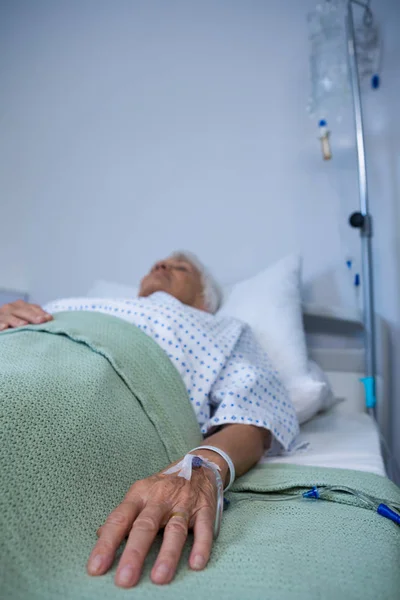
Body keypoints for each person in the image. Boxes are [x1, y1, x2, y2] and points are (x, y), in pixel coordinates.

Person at [0, 251, 299, 588]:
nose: (161, 265)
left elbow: (253, 416)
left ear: (204, 300)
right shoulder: (76, 303)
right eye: (159, 263)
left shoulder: (223, 329)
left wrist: (200, 469)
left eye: (180, 267)